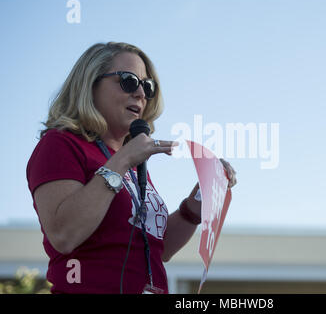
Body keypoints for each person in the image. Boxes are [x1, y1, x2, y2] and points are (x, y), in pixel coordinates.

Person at [26, 42, 237, 294]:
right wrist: (122, 161)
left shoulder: (131, 162)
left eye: (147, 86)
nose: (140, 93)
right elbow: (64, 235)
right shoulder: (61, 144)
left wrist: (194, 207)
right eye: (128, 81)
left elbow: (158, 249)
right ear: (90, 84)